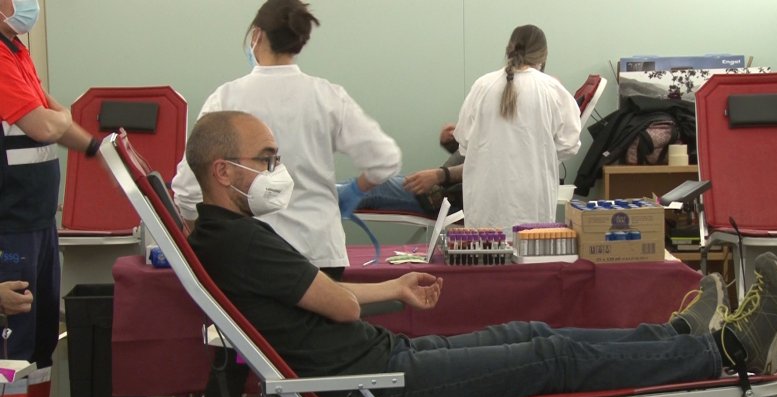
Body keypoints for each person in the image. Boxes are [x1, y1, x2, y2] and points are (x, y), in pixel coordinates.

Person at [185, 110, 777, 397]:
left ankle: (677, 339)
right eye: (267, 160)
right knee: (550, 357)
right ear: (223, 170)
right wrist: (380, 296)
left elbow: (323, 298)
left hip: (379, 365)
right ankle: (726, 351)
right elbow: (339, 306)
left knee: (531, 330)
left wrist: (395, 288)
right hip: (370, 394)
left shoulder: (221, 236)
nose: (278, 171)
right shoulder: (240, 241)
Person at [171, 0, 401, 278]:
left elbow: (188, 187)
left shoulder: (226, 99)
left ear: (256, 35)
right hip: (320, 251)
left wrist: (197, 230)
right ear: (298, 42)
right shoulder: (327, 97)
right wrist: (354, 190)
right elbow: (385, 160)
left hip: (248, 254)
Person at [1, 0, 102, 397]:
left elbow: (58, 122)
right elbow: (46, 125)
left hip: (39, 224)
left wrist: (98, 151)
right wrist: (60, 120)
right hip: (9, 228)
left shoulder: (16, 52)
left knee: (42, 345)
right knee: (13, 351)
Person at [453, 25, 581, 234]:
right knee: (531, 251)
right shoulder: (552, 89)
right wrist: (537, 153)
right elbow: (569, 145)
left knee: (484, 251)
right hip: (532, 203)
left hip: (486, 204)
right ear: (543, 55)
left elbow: (464, 143)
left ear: (508, 49)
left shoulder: (482, 86)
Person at [355, 123, 465, 216]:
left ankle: (343, 199)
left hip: (450, 200)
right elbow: (466, 157)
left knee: (375, 187)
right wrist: (450, 141)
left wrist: (440, 175)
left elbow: (474, 168)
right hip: (442, 190)